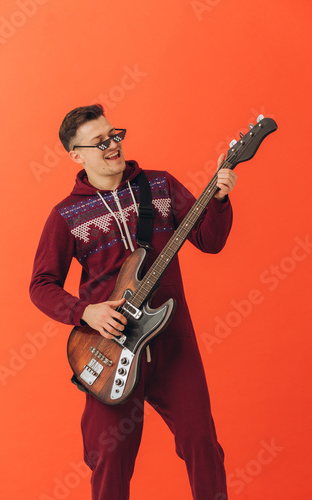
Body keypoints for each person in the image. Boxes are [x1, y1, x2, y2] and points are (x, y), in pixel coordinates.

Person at [29, 104, 237, 500]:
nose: (112, 145)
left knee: (203, 445)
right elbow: (41, 285)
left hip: (173, 343)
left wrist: (220, 200)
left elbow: (210, 241)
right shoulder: (67, 215)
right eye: (100, 141)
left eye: (114, 136)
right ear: (76, 155)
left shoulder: (159, 186)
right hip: (110, 350)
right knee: (110, 458)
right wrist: (85, 312)